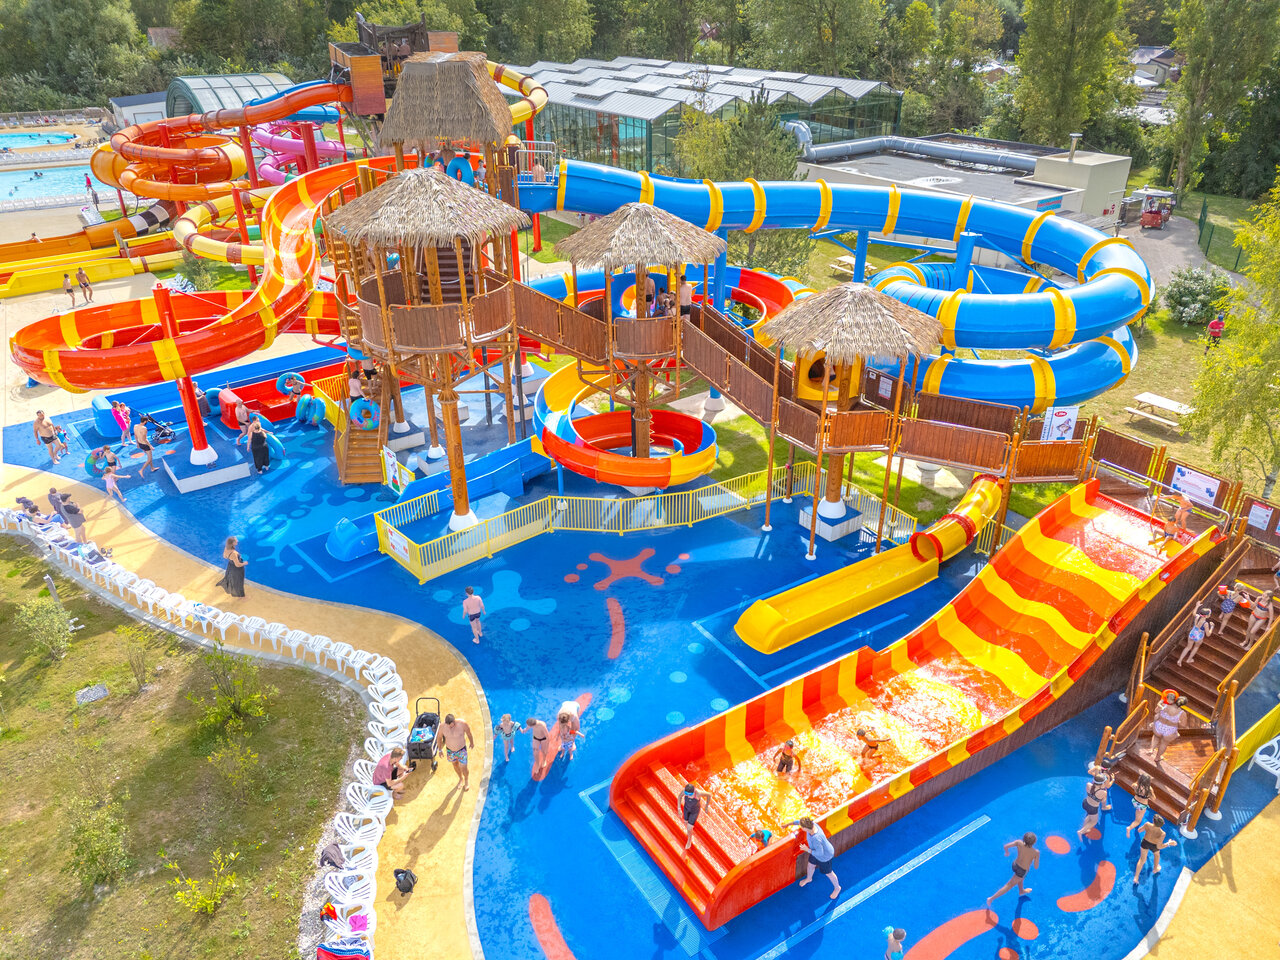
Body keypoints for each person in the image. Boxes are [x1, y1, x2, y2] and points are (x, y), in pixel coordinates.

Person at [788, 816, 841, 899]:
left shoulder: (816, 838)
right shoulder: (812, 825)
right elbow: (799, 822)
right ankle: (809, 879)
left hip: (824, 856)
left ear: (805, 828)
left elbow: (820, 853)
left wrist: (807, 849)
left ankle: (837, 888)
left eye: (802, 827)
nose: (801, 828)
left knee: (829, 873)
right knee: (810, 865)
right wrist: (788, 824)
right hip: (815, 851)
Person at [987, 833, 1040, 906]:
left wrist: (1007, 853)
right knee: (1009, 885)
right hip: (1022, 871)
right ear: (1034, 842)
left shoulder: (1019, 842)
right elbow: (1036, 867)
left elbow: (1006, 846)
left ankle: (1021, 891)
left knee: (1020, 879)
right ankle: (991, 899)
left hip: (1015, 865)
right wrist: (1036, 858)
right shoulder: (1035, 852)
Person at [434, 713, 475, 791]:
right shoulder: (442, 727)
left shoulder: (462, 724)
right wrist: (440, 750)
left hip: (461, 750)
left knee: (464, 767)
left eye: (452, 725)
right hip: (450, 751)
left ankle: (466, 780)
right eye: (448, 725)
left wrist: (471, 742)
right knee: (455, 765)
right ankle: (460, 779)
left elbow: (469, 733)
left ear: (454, 721)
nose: (450, 727)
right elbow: (439, 738)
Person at [1132, 815, 1177, 884]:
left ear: (1153, 821)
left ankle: (1136, 877)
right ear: (1162, 824)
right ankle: (1155, 869)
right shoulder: (1162, 833)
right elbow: (1159, 847)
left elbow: (1139, 830)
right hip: (1154, 846)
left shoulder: (1147, 824)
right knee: (1156, 855)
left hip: (1145, 843)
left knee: (1142, 860)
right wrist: (1169, 843)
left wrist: (1145, 828)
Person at [1150, 691, 1187, 764]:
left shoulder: (1164, 705)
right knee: (1164, 743)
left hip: (1159, 726)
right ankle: (1157, 758)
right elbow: (1183, 725)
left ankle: (1151, 749)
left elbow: (1156, 711)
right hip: (1169, 731)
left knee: (1156, 737)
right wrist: (1176, 722)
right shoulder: (1182, 713)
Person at [677, 782, 712, 851]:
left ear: (694, 791)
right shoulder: (684, 791)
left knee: (689, 828)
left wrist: (707, 806)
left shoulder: (698, 793)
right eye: (686, 794)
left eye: (690, 794)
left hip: (694, 811)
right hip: (686, 808)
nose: (688, 796)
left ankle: (689, 840)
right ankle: (689, 831)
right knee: (685, 822)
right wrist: (679, 808)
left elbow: (709, 795)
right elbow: (679, 796)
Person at [1077, 771, 1110, 841]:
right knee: (1094, 821)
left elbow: (1091, 791)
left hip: (1085, 803)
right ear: (1102, 783)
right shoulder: (1103, 792)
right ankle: (1081, 831)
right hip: (1093, 808)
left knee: (1089, 816)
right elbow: (1103, 801)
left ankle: (1084, 828)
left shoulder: (1088, 784)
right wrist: (1103, 788)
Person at [1125, 772, 1154, 838]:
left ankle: (1136, 813)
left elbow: (1132, 786)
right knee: (1137, 821)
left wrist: (1138, 782)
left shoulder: (1136, 785)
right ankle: (1129, 828)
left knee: (1137, 811)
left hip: (1135, 801)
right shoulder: (1149, 789)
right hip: (1142, 805)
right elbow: (1153, 798)